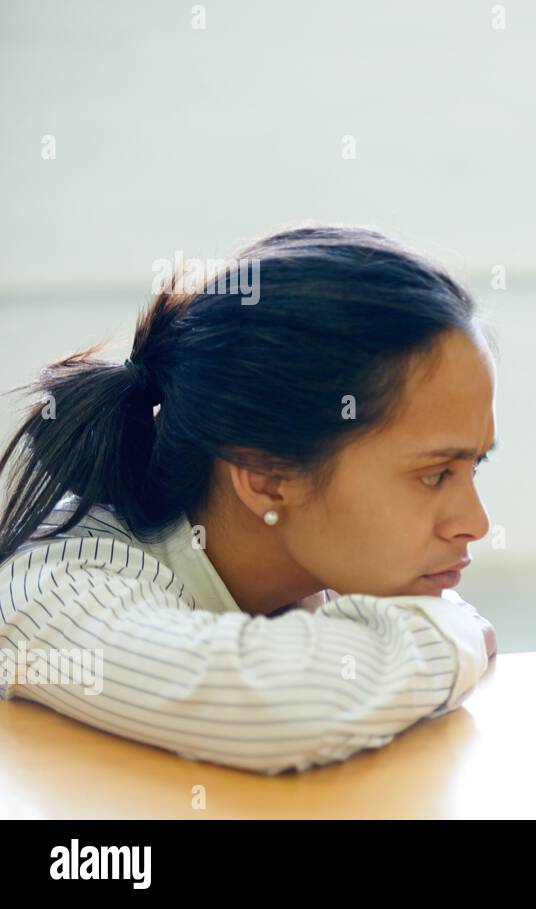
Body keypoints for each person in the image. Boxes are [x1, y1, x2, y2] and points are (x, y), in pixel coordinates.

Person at [0, 224, 498, 772]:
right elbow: (273, 707)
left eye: (475, 465)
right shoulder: (58, 585)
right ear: (264, 477)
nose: (475, 523)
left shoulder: (312, 565)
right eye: (434, 475)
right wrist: (452, 629)